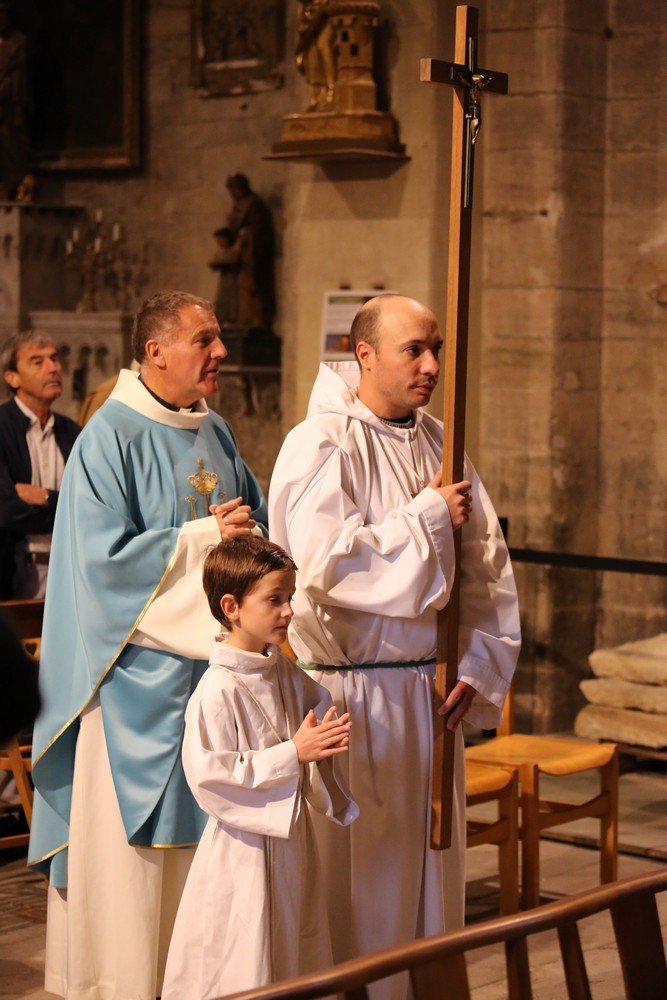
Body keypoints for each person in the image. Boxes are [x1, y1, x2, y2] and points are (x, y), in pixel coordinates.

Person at [269, 294, 521, 999]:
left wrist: (478, 663)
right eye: (414, 350)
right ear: (364, 355)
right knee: (360, 886)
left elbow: (486, 568)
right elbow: (327, 565)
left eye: (435, 348)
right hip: (351, 702)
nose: (431, 365)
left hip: (427, 697)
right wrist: (428, 515)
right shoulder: (320, 444)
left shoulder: (443, 442)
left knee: (427, 885)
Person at [28, 291, 268, 1000]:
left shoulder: (215, 430)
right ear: (156, 351)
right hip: (131, 686)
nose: (220, 351)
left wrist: (244, 537)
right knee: (130, 883)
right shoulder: (108, 436)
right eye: (205, 339)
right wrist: (203, 538)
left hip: (211, 684)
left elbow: (255, 531)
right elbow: (100, 566)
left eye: (218, 337)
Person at [162, 535, 357, 999]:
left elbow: (316, 703)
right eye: (275, 600)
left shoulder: (280, 669)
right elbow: (211, 777)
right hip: (242, 851)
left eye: (290, 597)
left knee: (294, 940)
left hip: (292, 842)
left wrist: (325, 731)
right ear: (231, 607)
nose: (288, 611)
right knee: (244, 954)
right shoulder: (217, 690)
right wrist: (295, 753)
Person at [0, 331, 80, 599]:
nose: (53, 368)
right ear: (12, 378)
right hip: (12, 572)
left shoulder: (73, 432)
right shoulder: (2, 427)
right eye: (38, 361)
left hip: (68, 568)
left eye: (54, 359)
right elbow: (6, 511)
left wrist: (44, 497)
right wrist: (65, 506)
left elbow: (88, 507)